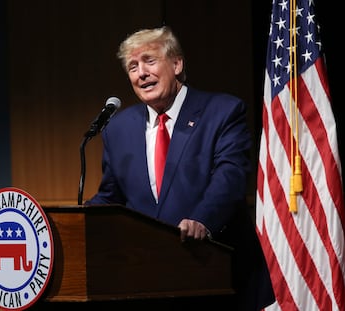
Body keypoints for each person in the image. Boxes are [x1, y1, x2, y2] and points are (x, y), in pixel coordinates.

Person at [84, 25, 275, 310]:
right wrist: (79, 219)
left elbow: (230, 176)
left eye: (149, 60)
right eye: (133, 67)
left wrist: (202, 220)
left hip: (216, 273)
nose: (141, 73)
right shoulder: (118, 129)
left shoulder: (222, 111)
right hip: (149, 281)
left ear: (176, 64)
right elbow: (112, 196)